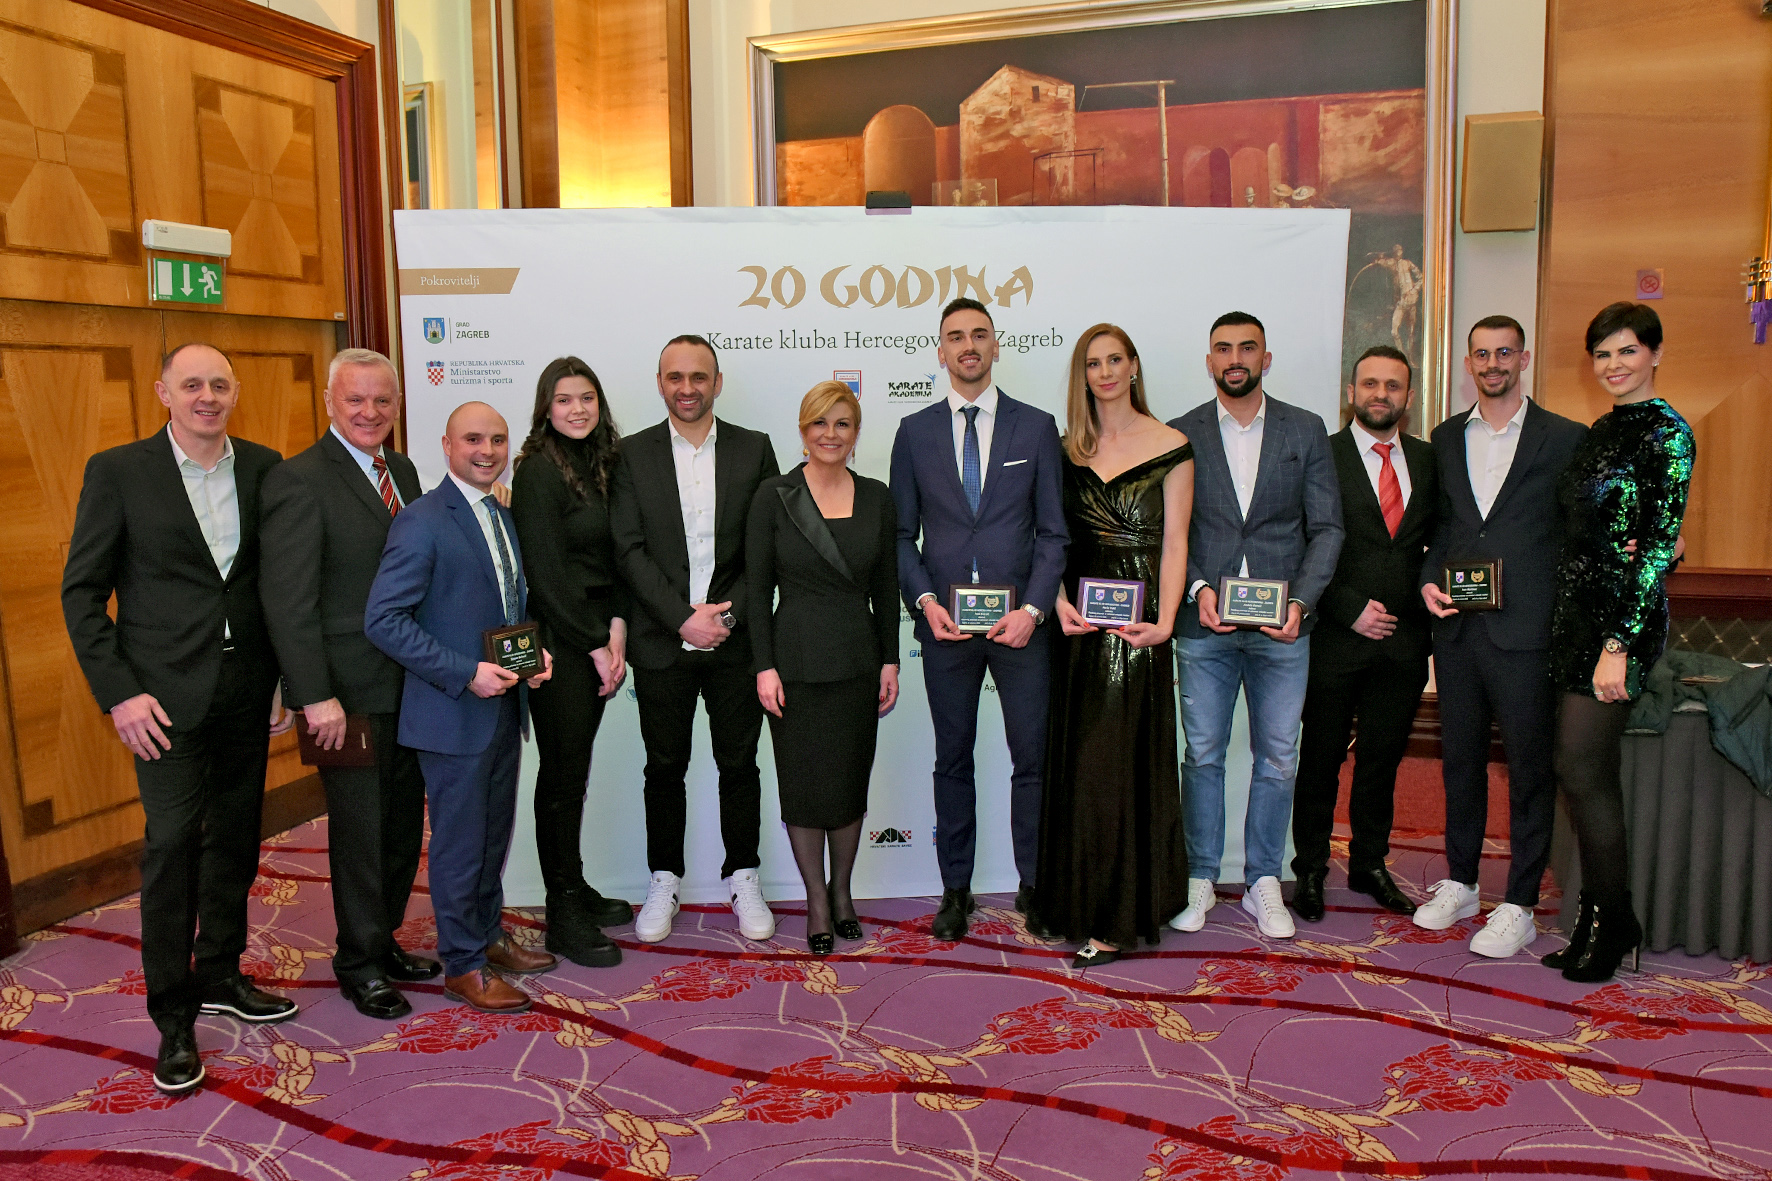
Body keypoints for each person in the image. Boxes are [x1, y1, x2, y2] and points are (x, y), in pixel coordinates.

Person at [62, 342, 296, 1095]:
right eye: (191, 383)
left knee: (235, 838)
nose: (207, 396)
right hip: (159, 703)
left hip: (245, 691)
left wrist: (280, 681)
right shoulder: (118, 471)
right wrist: (120, 694)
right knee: (171, 848)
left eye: (219, 384)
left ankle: (221, 971)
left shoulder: (263, 468)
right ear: (163, 391)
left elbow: (273, 585)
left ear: (236, 392)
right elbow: (82, 593)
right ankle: (173, 1016)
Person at [259, 348, 438, 1021]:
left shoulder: (404, 470)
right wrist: (312, 694)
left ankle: (383, 938)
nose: (370, 412)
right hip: (342, 696)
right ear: (330, 402)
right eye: (355, 399)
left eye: (382, 400)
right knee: (360, 830)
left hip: (409, 684)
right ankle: (358, 962)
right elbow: (288, 600)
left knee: (400, 823)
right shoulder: (298, 480)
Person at [365, 402, 557, 1013]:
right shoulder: (422, 520)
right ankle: (463, 964)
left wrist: (530, 657)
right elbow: (384, 620)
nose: (487, 450)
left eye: (497, 440)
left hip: (501, 707)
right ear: (447, 445)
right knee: (459, 844)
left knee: (491, 836)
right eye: (473, 439)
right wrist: (465, 673)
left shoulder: (500, 513)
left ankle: (488, 936)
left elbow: (500, 608)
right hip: (451, 714)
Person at [890, 297, 1068, 942]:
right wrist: (925, 603)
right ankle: (955, 890)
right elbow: (900, 536)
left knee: (1032, 761)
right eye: (955, 336)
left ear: (996, 345)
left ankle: (1035, 887)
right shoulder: (914, 432)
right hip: (945, 629)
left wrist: (1033, 610)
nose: (968, 345)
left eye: (979, 335)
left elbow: (1053, 533)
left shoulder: (1036, 427)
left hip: (1020, 629)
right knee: (952, 759)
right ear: (940, 351)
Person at [1165, 311, 1344, 940]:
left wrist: (1302, 602)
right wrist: (1197, 588)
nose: (1235, 358)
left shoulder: (1305, 428)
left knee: (1278, 756)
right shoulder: (1180, 433)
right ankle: (1200, 875)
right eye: (1223, 348)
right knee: (1202, 755)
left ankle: (1264, 878)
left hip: (1283, 630)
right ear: (1209, 361)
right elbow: (1173, 531)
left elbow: (1327, 528)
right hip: (1204, 625)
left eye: (1248, 348)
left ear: (1266, 358)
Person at [1417, 316, 1587, 959]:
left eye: (1504, 353)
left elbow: (1579, 530)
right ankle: (1462, 882)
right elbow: (1442, 527)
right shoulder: (1444, 437)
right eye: (1482, 354)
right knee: (1459, 762)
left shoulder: (1564, 437)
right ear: (1468, 363)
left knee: (1528, 770)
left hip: (1528, 630)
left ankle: (1519, 902)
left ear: (1524, 359)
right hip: (1458, 629)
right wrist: (1428, 581)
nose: (1493, 363)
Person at [610, 335, 780, 945]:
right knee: (664, 767)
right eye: (675, 377)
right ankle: (664, 878)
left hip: (736, 643)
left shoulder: (754, 449)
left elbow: (765, 548)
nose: (687, 388)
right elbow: (628, 549)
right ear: (661, 383)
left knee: (739, 764)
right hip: (662, 642)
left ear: (717, 382)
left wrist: (724, 621)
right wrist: (683, 619)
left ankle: (743, 874)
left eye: (699, 377)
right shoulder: (631, 455)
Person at [1544, 302, 1692, 982]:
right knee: (1578, 772)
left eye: (1627, 351)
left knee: (1584, 771)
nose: (1613, 365)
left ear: (1655, 354)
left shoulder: (1668, 433)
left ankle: (1615, 922)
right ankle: (1595, 917)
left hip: (1618, 627)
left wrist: (1619, 645)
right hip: (1574, 617)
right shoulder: (1601, 429)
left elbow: (1657, 548)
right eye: (1602, 354)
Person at [1038, 324, 1193, 967]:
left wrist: (1167, 622)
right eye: (1092, 363)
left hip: (1140, 629)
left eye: (1114, 360)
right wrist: (1054, 600)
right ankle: (1076, 903)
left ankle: (1116, 916)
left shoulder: (1173, 445)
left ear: (1133, 366)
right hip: (1078, 628)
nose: (1104, 372)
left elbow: (1176, 542)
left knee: (1122, 766)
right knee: (1081, 768)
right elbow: (1046, 536)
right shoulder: (1063, 449)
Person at [748, 381, 901, 955]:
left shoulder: (877, 497)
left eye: (842, 423)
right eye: (819, 423)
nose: (830, 434)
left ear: (856, 432)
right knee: (804, 787)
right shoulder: (774, 495)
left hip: (857, 660)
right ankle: (817, 899)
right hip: (794, 663)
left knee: (847, 783)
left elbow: (886, 587)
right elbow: (757, 590)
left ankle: (842, 893)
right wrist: (764, 666)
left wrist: (890, 658)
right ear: (803, 430)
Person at [1290, 346, 1440, 922]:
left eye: (1393, 385)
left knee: (1382, 760)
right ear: (1351, 393)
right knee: (1320, 759)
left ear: (1408, 396)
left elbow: (1437, 541)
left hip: (1404, 639)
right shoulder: (1321, 455)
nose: (1381, 394)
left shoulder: (1427, 460)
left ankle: (1370, 863)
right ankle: (1309, 868)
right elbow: (1302, 541)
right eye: (1370, 384)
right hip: (1334, 634)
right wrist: (1348, 607)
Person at [510, 358, 634, 968]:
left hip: (598, 634)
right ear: (546, 408)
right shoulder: (537, 470)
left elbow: (618, 558)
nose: (577, 409)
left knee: (575, 771)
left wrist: (618, 630)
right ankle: (561, 911)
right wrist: (595, 644)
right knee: (561, 778)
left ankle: (574, 883)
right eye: (564, 400)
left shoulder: (606, 462)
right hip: (559, 646)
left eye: (587, 397)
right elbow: (546, 574)